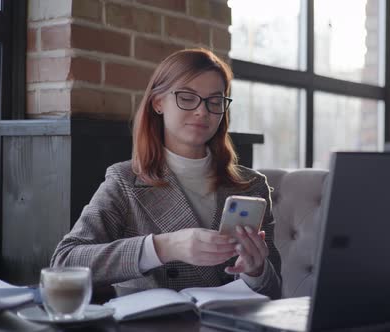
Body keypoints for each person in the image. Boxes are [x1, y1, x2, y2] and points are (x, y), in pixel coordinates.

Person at [50, 49, 282, 299]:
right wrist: (163, 247)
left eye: (214, 101)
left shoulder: (252, 186)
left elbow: (274, 292)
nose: (202, 111)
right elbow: (64, 263)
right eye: (187, 97)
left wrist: (256, 271)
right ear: (158, 102)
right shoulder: (125, 181)